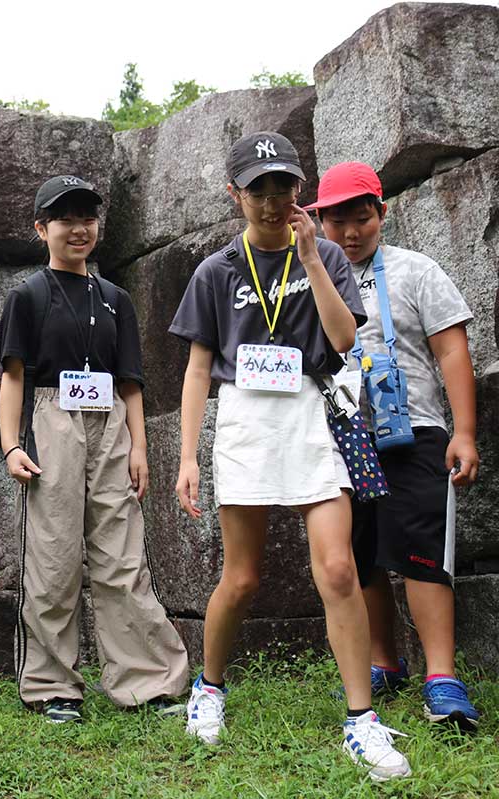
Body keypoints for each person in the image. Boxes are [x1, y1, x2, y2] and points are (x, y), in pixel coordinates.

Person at [169, 132, 410, 781]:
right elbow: (196, 369)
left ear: (300, 191)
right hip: (245, 416)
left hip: (311, 411)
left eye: (284, 186)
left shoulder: (324, 252)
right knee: (242, 578)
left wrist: (309, 259)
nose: (273, 201)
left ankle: (361, 721)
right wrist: (188, 455)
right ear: (235, 194)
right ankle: (209, 687)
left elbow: (342, 337)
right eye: (258, 189)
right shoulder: (217, 270)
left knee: (336, 568)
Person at [0, 175, 190, 723]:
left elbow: (131, 382)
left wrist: (140, 448)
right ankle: (52, 686)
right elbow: (13, 378)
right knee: (53, 558)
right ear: (42, 229)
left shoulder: (116, 300)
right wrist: (11, 445)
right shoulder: (27, 295)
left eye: (87, 218)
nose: (79, 229)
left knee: (123, 557)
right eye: (65, 219)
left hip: (111, 423)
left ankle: (147, 682)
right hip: (51, 420)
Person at [308, 161, 481, 731]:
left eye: (362, 218)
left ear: (384, 212)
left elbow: (452, 350)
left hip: (418, 430)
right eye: (339, 222)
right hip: (343, 434)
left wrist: (464, 431)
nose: (352, 232)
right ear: (319, 223)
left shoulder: (417, 271)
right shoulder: (312, 277)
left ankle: (442, 677)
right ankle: (384, 661)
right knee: (362, 556)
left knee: (423, 553)